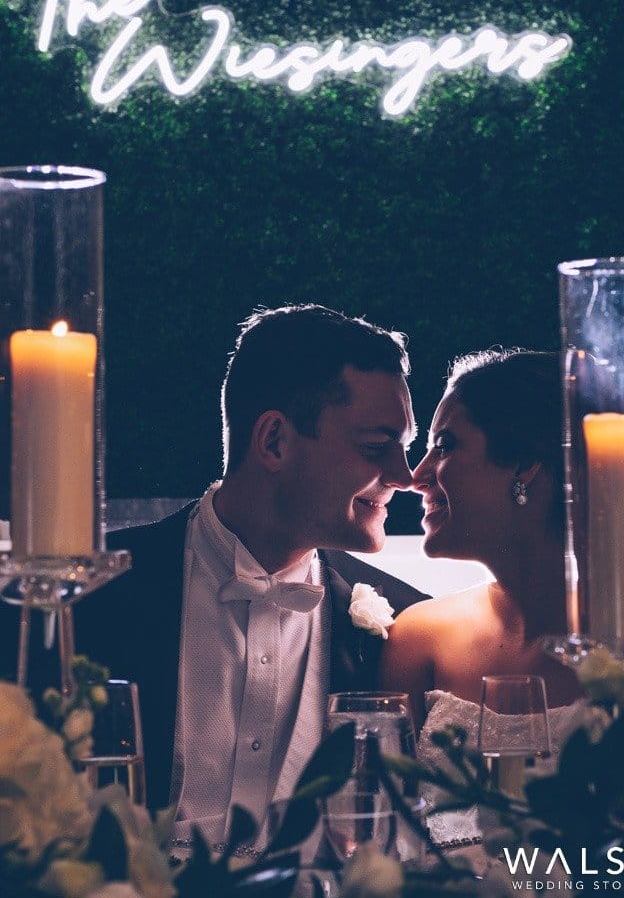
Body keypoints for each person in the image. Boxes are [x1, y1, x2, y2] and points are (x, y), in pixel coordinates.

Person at [65, 304, 428, 849]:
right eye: (377, 448)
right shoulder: (90, 593)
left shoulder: (404, 627)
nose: (404, 476)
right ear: (275, 441)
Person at [379, 349, 582, 843]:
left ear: (527, 464)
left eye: (445, 444)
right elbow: (383, 839)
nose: (416, 475)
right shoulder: (419, 638)